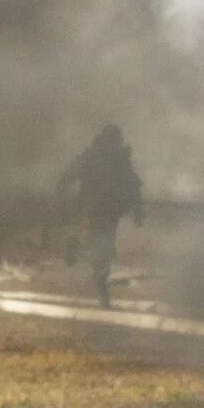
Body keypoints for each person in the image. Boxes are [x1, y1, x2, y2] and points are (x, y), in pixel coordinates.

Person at [57, 123, 144, 308]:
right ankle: (97, 282)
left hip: (99, 212)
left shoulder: (104, 159)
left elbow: (67, 176)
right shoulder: (110, 159)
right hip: (99, 212)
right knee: (101, 250)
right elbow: (134, 186)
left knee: (102, 250)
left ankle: (81, 255)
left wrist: (138, 210)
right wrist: (138, 210)